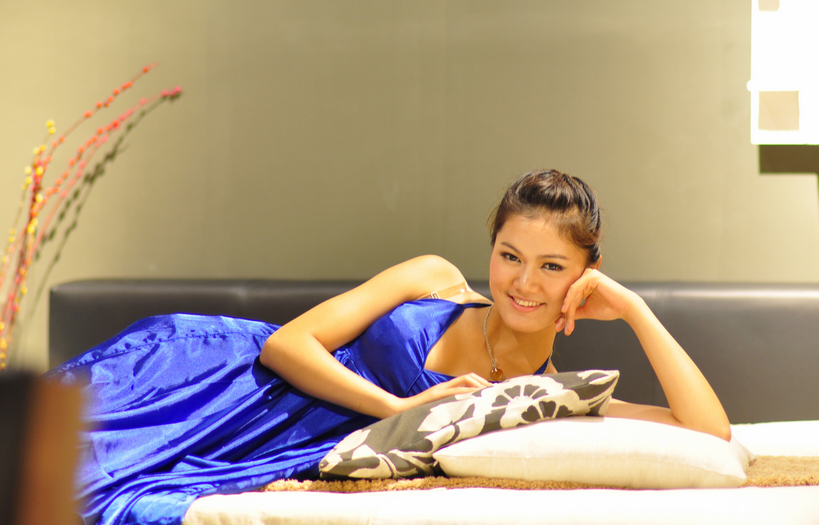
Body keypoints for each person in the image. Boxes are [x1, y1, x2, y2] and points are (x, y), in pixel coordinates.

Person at [46, 169, 730, 525]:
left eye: (552, 267)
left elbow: (710, 431)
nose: (524, 284)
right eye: (509, 255)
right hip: (214, 372)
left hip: (275, 440)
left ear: (586, 273)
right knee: (34, 446)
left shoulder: (544, 399)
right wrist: (400, 408)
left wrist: (635, 309)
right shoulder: (434, 276)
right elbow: (288, 344)